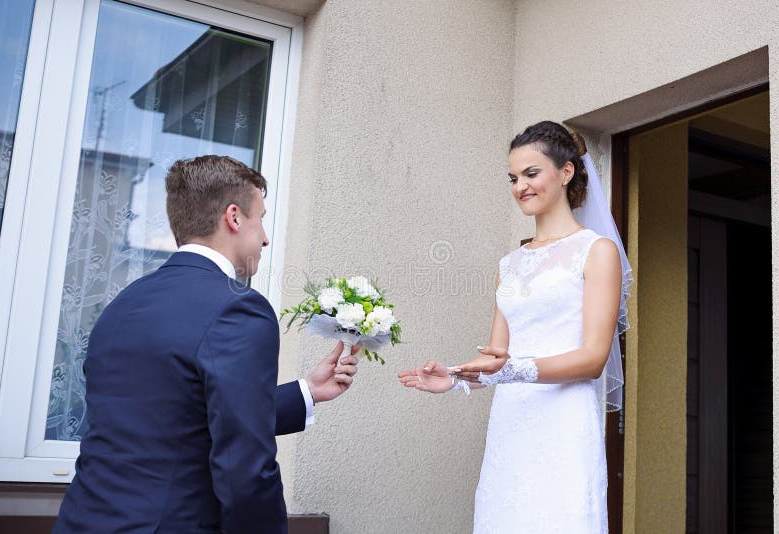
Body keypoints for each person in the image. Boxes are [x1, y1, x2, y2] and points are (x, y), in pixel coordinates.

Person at [54, 155, 359, 534]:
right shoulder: (237, 307)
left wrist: (307, 392)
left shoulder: (123, 304)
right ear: (233, 217)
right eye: (259, 218)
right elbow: (245, 470)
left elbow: (173, 418)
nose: (265, 237)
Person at [398, 121, 630, 533]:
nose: (519, 186)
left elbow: (594, 359)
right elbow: (496, 358)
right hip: (510, 426)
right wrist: (455, 378)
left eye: (531, 173)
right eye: (513, 177)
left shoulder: (597, 252)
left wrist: (514, 369)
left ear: (565, 173)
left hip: (563, 423)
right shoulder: (511, 264)